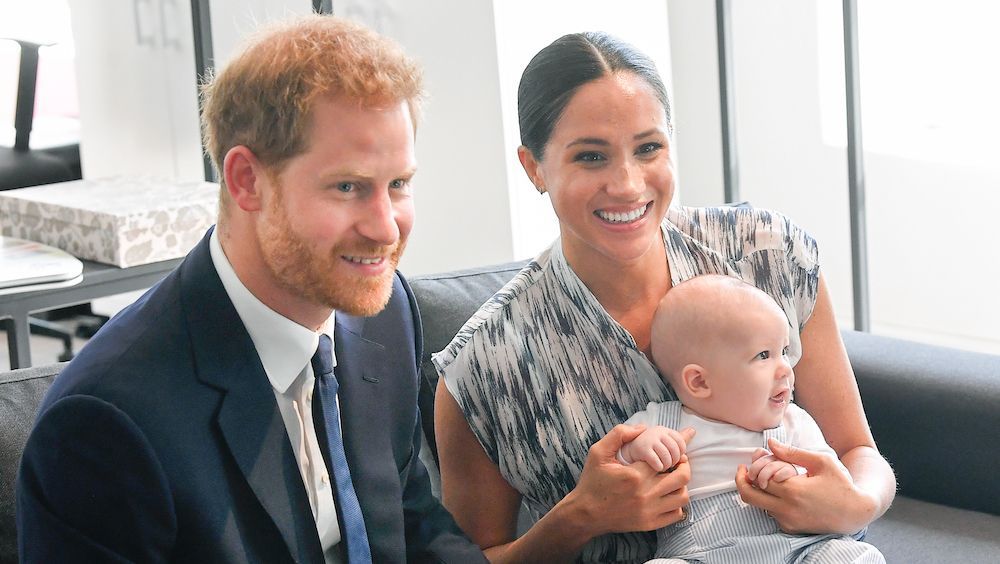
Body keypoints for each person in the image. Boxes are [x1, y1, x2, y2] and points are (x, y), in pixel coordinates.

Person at [16, 15, 486, 564]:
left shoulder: (383, 314)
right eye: (348, 187)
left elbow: (413, 526)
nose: (386, 228)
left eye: (398, 185)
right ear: (246, 181)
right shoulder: (104, 425)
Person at [433, 31, 895, 563]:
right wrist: (581, 516)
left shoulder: (767, 254)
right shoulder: (485, 365)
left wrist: (856, 505)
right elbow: (471, 558)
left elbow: (859, 450)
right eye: (590, 157)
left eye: (648, 148)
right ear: (534, 167)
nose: (628, 185)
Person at [616, 274, 884, 563]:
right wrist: (639, 447)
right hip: (701, 555)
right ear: (699, 382)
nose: (785, 368)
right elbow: (613, 466)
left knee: (854, 556)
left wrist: (794, 477)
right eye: (763, 355)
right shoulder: (661, 422)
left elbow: (832, 482)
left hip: (798, 550)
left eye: (783, 351)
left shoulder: (795, 423)